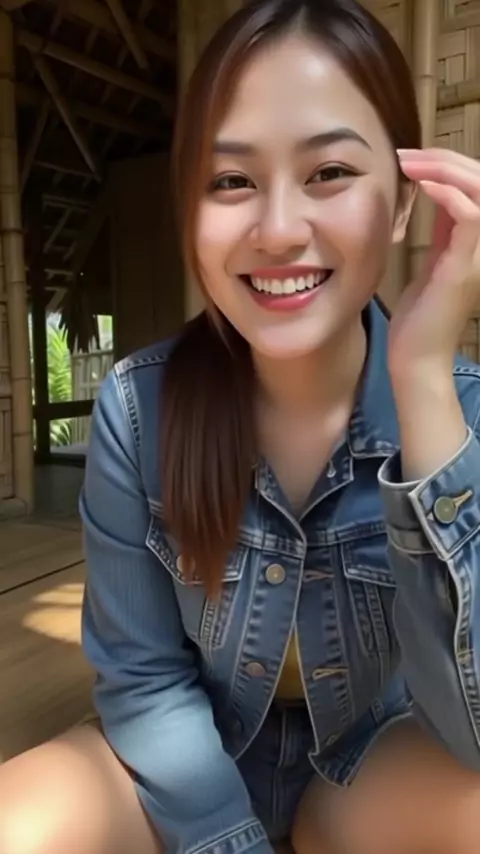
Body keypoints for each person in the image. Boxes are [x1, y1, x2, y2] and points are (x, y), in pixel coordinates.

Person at [2, 0, 480, 851]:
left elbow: (474, 731)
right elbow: (144, 679)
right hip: (182, 759)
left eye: (329, 171)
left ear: (405, 204)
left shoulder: (462, 408)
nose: (279, 230)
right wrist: (230, 840)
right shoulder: (136, 409)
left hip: (373, 766)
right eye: (231, 181)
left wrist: (421, 380)